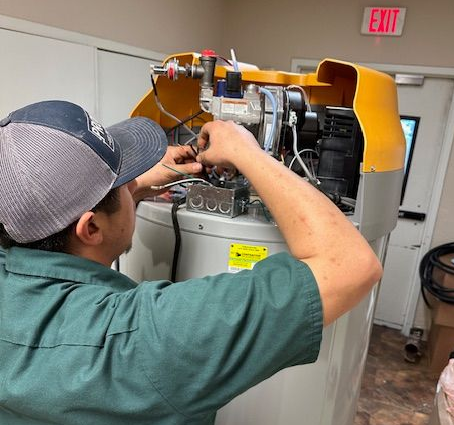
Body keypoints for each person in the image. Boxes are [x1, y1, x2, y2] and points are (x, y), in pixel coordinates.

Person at [0, 100, 382, 425]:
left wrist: (132, 187)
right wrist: (248, 155)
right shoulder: (145, 337)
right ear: (91, 227)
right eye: (124, 183)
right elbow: (349, 264)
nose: (134, 185)